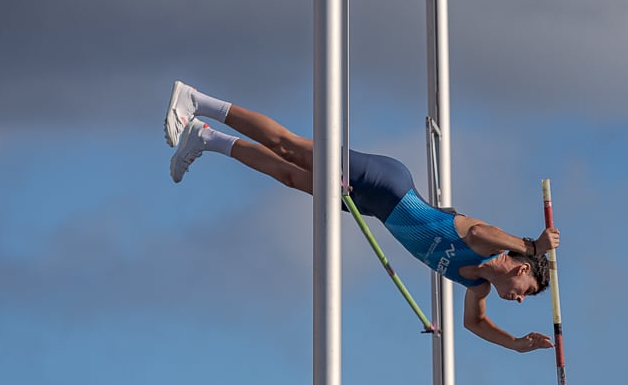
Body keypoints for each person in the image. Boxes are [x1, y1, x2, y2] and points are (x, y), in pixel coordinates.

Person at [163, 80, 560, 353]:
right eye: (527, 289)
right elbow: (476, 230)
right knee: (289, 148)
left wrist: (517, 344)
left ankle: (205, 138)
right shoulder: (485, 244)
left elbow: (474, 325)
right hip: (387, 184)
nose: (520, 299)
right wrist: (531, 244)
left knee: (288, 177)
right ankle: (198, 100)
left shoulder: (476, 286)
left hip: (373, 207)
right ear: (522, 267)